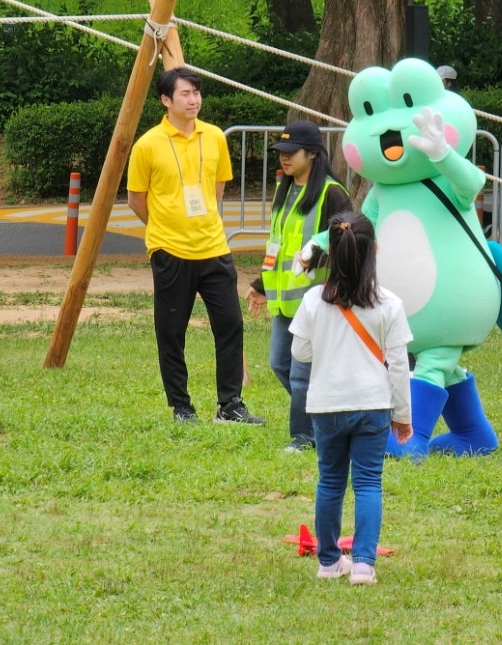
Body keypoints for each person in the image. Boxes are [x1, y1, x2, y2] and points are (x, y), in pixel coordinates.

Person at [127, 67, 263, 425]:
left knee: (230, 324)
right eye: (185, 94)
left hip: (213, 247)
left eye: (197, 93)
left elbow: (217, 190)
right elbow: (136, 199)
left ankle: (230, 405)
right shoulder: (148, 144)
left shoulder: (215, 136)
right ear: (166, 100)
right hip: (170, 249)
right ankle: (182, 407)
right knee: (172, 331)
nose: (194, 100)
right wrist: (163, 226)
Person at [289, 211, 413, 585]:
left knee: (330, 481)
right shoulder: (389, 303)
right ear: (373, 251)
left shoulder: (314, 300)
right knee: (368, 483)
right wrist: (403, 415)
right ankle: (362, 564)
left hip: (326, 405)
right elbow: (398, 366)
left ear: (332, 254)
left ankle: (329, 562)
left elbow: (300, 354)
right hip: (372, 405)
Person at [245, 121, 352, 452]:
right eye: (281, 153)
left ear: (314, 155)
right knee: (281, 363)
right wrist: (261, 284)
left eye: (292, 153)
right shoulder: (287, 189)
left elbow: (348, 239)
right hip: (286, 301)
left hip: (318, 300)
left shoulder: (332, 193)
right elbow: (278, 243)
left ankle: (307, 436)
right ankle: (329, 419)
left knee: (302, 373)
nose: (285, 159)